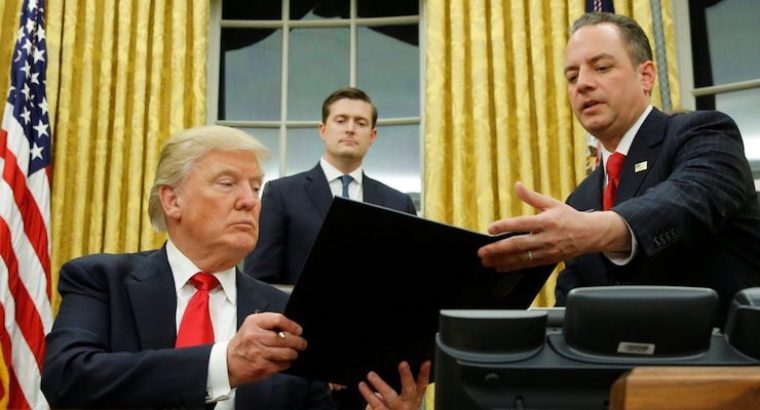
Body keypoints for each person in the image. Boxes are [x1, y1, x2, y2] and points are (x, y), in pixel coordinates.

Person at [41, 125, 428, 409]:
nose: (250, 201)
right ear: (172, 200)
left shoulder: (285, 315)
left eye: (256, 188)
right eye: (228, 184)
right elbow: (66, 379)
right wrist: (224, 364)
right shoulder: (100, 280)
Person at [477, 12, 760, 325]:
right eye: (572, 77)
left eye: (601, 68)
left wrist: (598, 231)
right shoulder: (580, 201)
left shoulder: (704, 133)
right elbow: (568, 316)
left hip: (725, 365)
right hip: (613, 372)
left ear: (646, 76)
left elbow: (688, 200)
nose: (582, 84)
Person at [244, 87, 417, 285]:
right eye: (341, 120)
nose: (350, 129)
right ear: (323, 130)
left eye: (361, 123)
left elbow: (410, 279)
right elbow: (259, 280)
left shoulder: (398, 203)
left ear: (372, 136)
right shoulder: (281, 194)